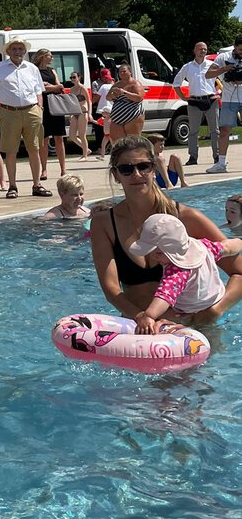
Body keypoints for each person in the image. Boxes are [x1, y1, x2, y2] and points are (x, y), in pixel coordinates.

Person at [89, 135, 242, 325]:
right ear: (116, 175)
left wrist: (213, 312)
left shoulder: (186, 218)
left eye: (143, 166)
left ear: (153, 169)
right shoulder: (104, 223)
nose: (136, 174)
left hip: (194, 329)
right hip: (139, 328)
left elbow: (239, 271)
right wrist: (142, 317)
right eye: (126, 169)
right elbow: (111, 289)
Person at [128, 214, 242, 333]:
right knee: (214, 336)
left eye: (158, 253)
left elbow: (165, 296)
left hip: (190, 311)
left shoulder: (176, 272)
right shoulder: (204, 246)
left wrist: (149, 316)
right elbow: (227, 247)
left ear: (173, 250)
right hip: (215, 300)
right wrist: (240, 242)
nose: (153, 257)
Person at [0, 37, 50, 199]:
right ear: (8, 51)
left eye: (20, 49)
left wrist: (39, 108)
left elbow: (39, 90)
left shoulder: (32, 68)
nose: (17, 52)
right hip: (8, 112)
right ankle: (12, 186)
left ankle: (37, 185)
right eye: (14, 49)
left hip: (32, 111)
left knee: (34, 149)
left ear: (25, 51)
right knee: (11, 151)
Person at [173, 41, 219, 167]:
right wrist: (183, 97)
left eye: (205, 49)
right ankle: (193, 157)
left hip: (211, 100)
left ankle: (217, 156)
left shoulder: (212, 65)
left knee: (215, 130)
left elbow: (224, 80)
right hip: (194, 102)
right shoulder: (187, 67)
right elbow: (176, 83)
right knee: (193, 131)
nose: (202, 51)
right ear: (194, 50)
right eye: (200, 49)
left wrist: (220, 93)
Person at [205, 35, 242, 174]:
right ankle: (221, 163)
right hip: (229, 99)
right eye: (240, 50)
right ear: (235, 46)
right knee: (225, 130)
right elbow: (208, 74)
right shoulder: (223, 57)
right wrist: (224, 69)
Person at [32, 49, 69, 181]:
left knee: (59, 138)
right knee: (44, 139)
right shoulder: (34, 70)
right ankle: (44, 169)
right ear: (43, 56)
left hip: (55, 105)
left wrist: (49, 86)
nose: (52, 58)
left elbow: (60, 86)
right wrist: (50, 87)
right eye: (50, 56)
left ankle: (63, 169)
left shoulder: (52, 70)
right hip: (42, 105)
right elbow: (37, 88)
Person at [106, 63, 145, 140]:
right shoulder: (117, 84)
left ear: (130, 72)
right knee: (117, 142)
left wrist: (124, 92)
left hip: (133, 115)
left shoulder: (135, 84)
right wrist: (112, 94)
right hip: (117, 117)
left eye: (124, 71)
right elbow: (108, 98)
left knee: (133, 141)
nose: (122, 73)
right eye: (120, 72)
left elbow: (139, 98)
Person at [66, 72, 90, 159]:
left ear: (79, 77)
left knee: (82, 135)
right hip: (75, 112)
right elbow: (72, 103)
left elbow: (89, 101)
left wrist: (89, 114)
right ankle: (86, 150)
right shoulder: (71, 89)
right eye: (71, 77)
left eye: (74, 77)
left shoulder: (82, 88)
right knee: (72, 135)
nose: (72, 79)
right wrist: (70, 114)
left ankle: (84, 155)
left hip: (83, 112)